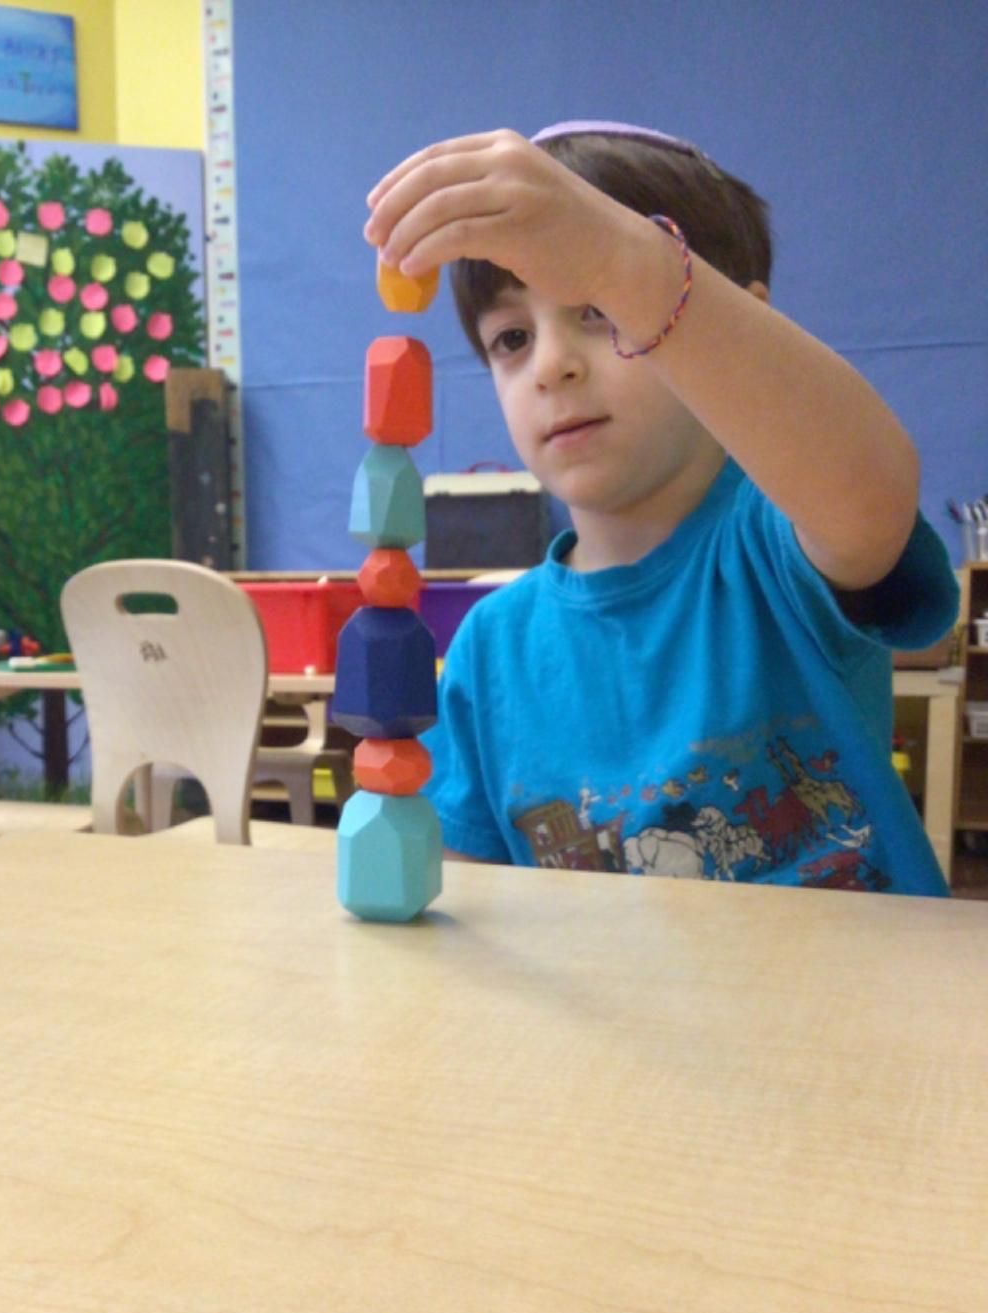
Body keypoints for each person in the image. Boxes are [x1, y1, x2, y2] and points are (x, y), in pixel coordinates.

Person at [362, 122, 959, 893]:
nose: (552, 365)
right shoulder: (491, 648)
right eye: (511, 337)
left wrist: (627, 266)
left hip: (839, 1008)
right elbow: (468, 903)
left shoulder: (781, 542)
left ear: (748, 327)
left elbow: (869, 488)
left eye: (599, 312)